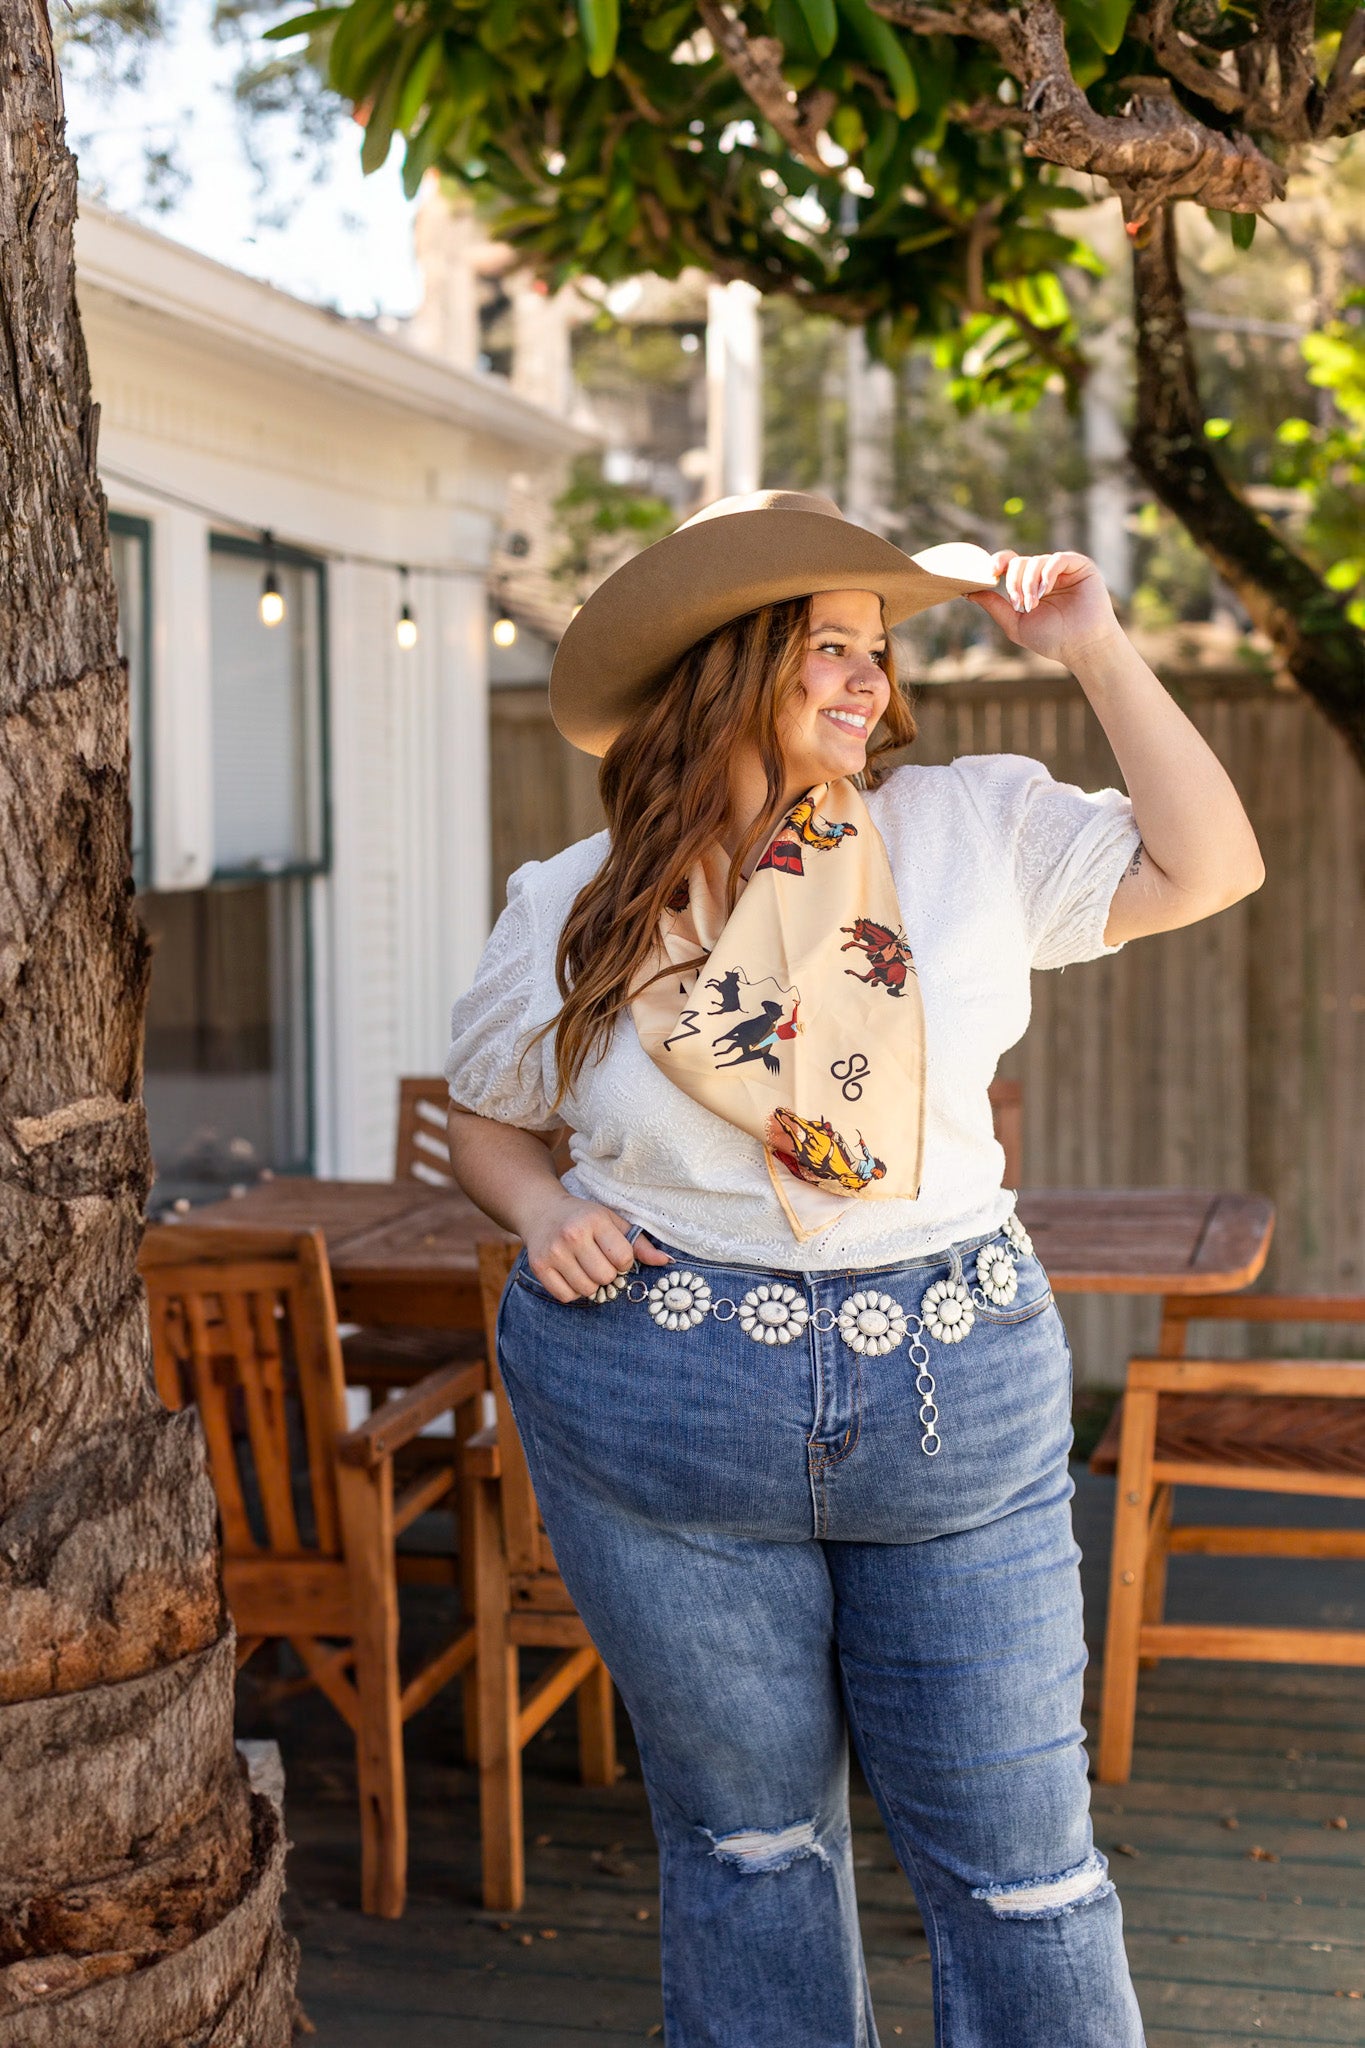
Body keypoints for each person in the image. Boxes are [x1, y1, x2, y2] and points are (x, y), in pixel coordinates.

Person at [443, 490, 1264, 2048]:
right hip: (656, 1388)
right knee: (751, 1847)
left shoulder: (967, 826)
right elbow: (493, 1129)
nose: (865, 680)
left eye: (875, 651)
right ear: (724, 660)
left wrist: (1089, 644)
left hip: (947, 1381)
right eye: (826, 645)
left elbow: (1210, 865)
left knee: (1023, 1872)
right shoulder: (573, 898)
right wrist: (543, 1216)